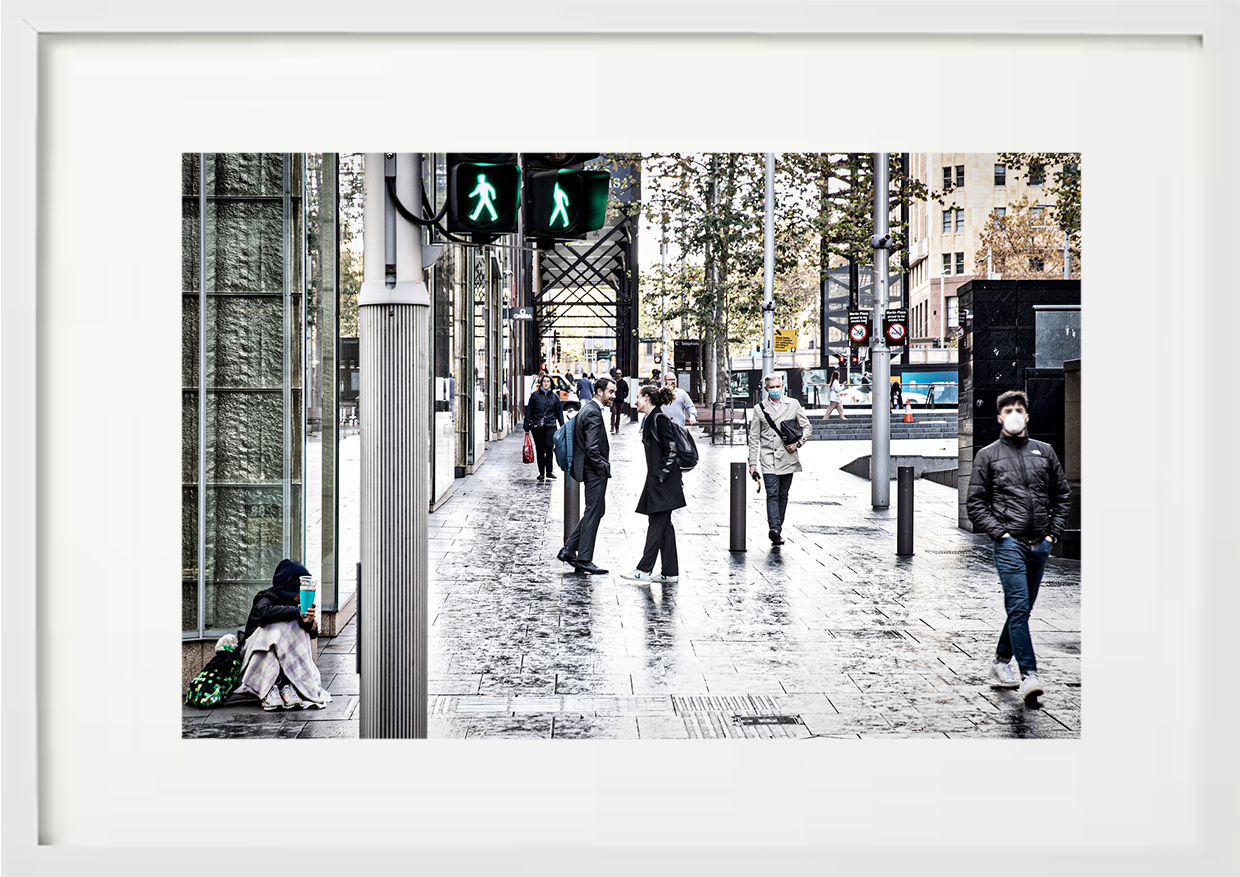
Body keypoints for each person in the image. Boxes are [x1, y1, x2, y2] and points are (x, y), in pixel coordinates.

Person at [967, 390, 1071, 707]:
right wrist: (1000, 534)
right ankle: (1030, 675)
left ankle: (1001, 661)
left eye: (1018, 409)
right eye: (1008, 410)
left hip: (1040, 544)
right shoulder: (987, 455)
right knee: (1018, 607)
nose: (1013, 414)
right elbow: (975, 502)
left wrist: (1051, 536)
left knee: (1021, 611)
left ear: (1027, 415)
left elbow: (1061, 496)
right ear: (999, 418)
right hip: (1009, 544)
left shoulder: (1045, 452)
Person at [236, 559, 332, 711]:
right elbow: (264, 613)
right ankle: (269, 687)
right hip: (257, 659)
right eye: (301, 586)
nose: (304, 590)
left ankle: (288, 684)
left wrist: (309, 621)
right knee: (276, 629)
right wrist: (296, 613)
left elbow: (311, 635)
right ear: (291, 586)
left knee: (296, 627)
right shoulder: (266, 598)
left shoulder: (297, 604)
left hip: (286, 663)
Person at [621, 384, 685, 584]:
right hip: (660, 480)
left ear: (647, 398)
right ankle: (670, 572)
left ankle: (644, 569)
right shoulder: (652, 418)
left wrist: (661, 475)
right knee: (664, 526)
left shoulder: (659, 418)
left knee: (657, 524)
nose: (635, 401)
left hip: (663, 481)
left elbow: (671, 448)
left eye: (638, 397)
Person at [559, 376, 616, 575]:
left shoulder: (589, 409)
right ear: (599, 392)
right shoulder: (592, 412)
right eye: (611, 392)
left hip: (590, 469)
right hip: (594, 471)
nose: (613, 396)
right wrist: (602, 467)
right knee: (593, 511)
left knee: (596, 510)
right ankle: (584, 558)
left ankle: (569, 549)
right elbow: (592, 448)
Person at [747, 373, 812, 545]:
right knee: (772, 493)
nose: (775, 390)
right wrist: (752, 463)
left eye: (778, 386)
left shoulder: (793, 404)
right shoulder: (759, 409)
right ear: (766, 389)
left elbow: (807, 427)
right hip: (768, 457)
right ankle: (774, 529)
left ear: (782, 386)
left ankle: (778, 528)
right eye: (772, 387)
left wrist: (797, 444)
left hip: (787, 456)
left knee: (783, 494)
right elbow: (754, 437)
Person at [523, 373, 565, 483]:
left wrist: (562, 425)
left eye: (548, 382)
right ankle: (541, 472)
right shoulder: (535, 396)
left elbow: (559, 413)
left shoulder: (554, 397)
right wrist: (526, 426)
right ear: (541, 383)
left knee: (549, 446)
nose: (546, 384)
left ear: (551, 384)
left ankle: (549, 471)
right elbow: (529, 411)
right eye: (544, 381)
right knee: (540, 448)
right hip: (537, 426)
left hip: (550, 425)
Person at [610, 367, 630, 434]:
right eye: (617, 373)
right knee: (613, 412)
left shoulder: (623, 383)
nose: (618, 375)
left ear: (621, 374)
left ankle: (617, 427)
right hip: (613, 400)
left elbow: (626, 390)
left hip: (620, 401)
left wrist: (623, 397)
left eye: (619, 373)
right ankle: (612, 426)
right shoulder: (613, 382)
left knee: (618, 414)